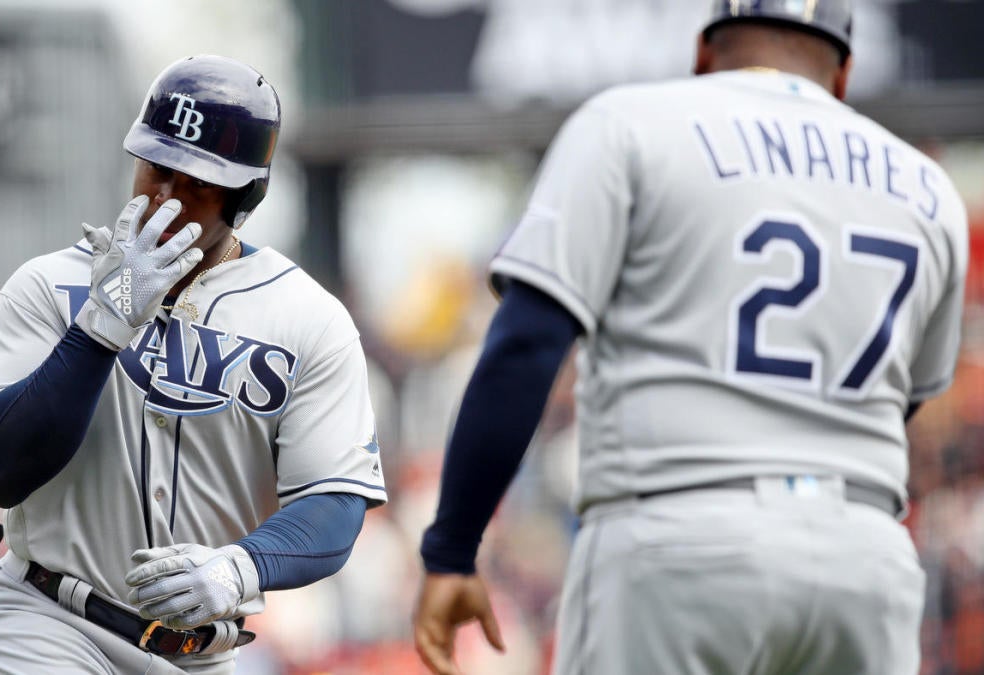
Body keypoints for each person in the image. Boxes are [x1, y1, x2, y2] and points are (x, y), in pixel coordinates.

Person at [413, 1, 968, 673]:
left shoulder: (628, 125)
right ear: (844, 72)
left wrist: (452, 547)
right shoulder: (929, 190)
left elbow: (527, 343)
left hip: (677, 538)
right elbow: (901, 403)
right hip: (863, 562)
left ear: (704, 53)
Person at [0, 55, 387, 675]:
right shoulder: (52, 285)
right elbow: (0, 467)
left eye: (197, 183)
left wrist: (244, 564)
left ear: (245, 195)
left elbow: (335, 501)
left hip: (200, 657)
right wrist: (105, 323)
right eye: (157, 169)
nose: (165, 197)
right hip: (47, 625)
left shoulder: (308, 319)